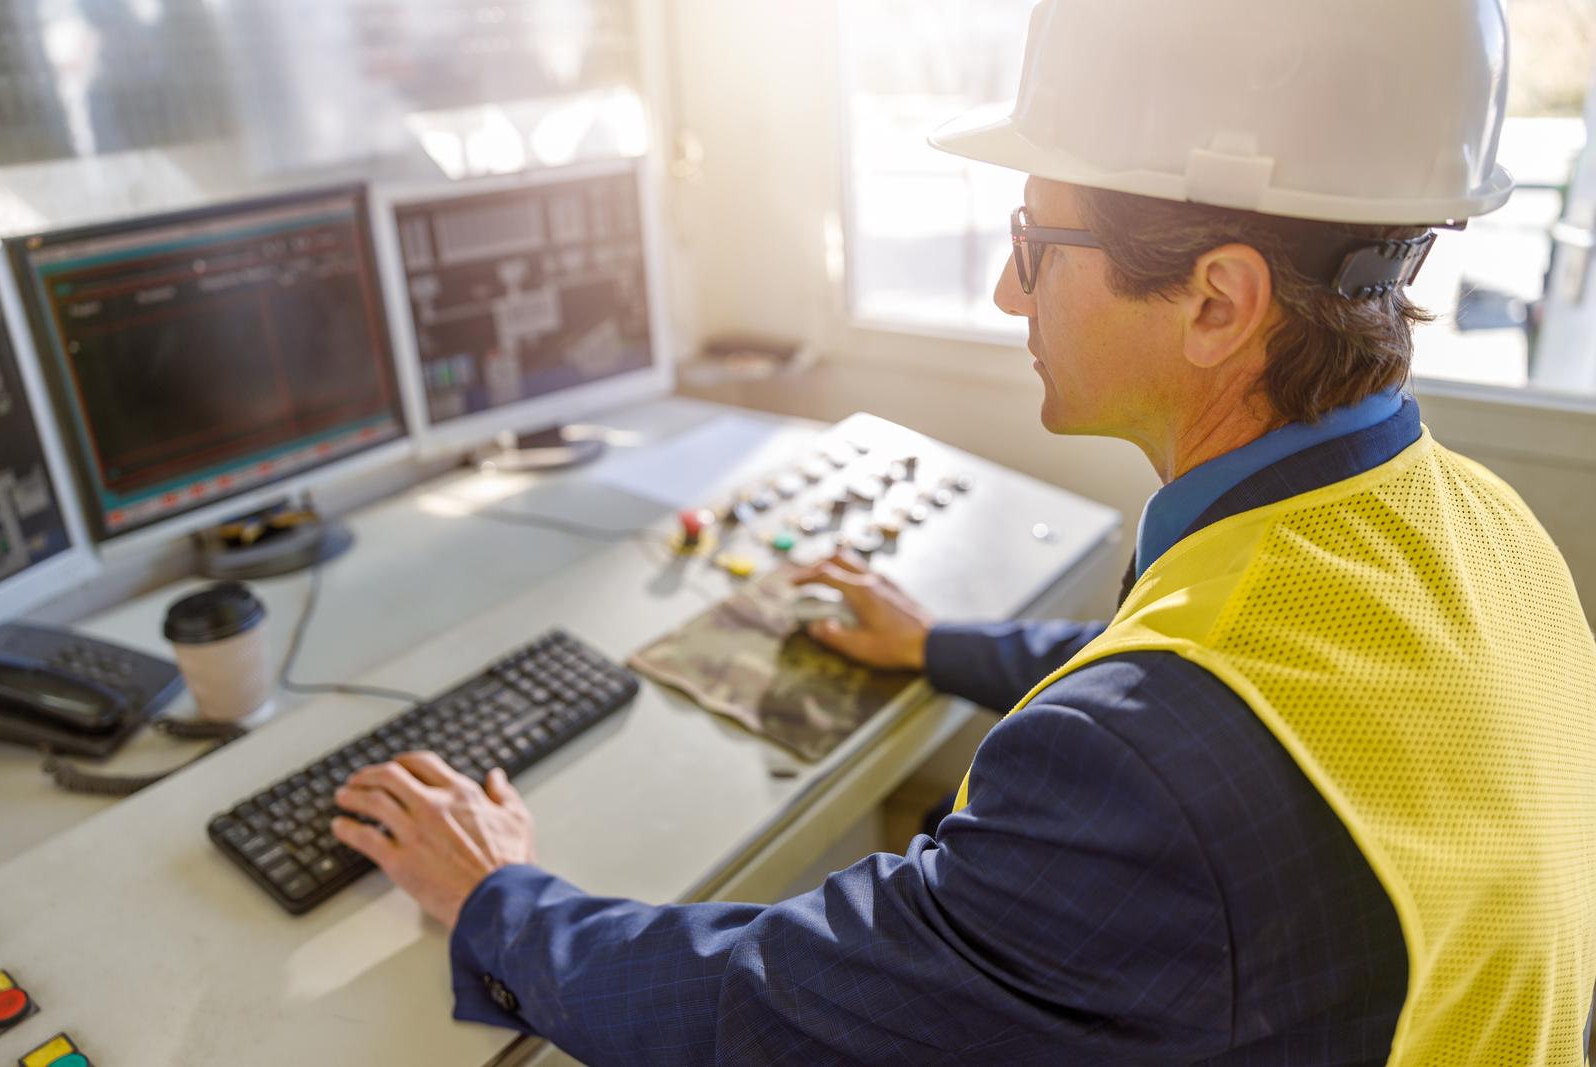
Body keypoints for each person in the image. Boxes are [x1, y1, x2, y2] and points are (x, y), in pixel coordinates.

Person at [330, 1, 1596, 1062]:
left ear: (1217, 299)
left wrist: (498, 897)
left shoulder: (1136, 770)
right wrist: (945, 647)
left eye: (1036, 242)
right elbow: (1239, 682)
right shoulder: (1481, 529)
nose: (1007, 291)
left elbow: (776, 1001)